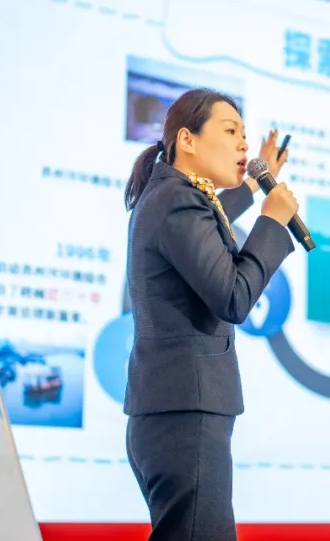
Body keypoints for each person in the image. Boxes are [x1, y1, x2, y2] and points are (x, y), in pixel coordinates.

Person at [122, 88, 298, 540]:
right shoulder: (176, 200)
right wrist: (272, 222)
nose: (244, 142)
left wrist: (256, 182)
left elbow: (210, 218)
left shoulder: (173, 197)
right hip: (186, 413)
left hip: (176, 412)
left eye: (244, 133)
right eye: (231, 130)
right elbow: (233, 297)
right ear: (188, 140)